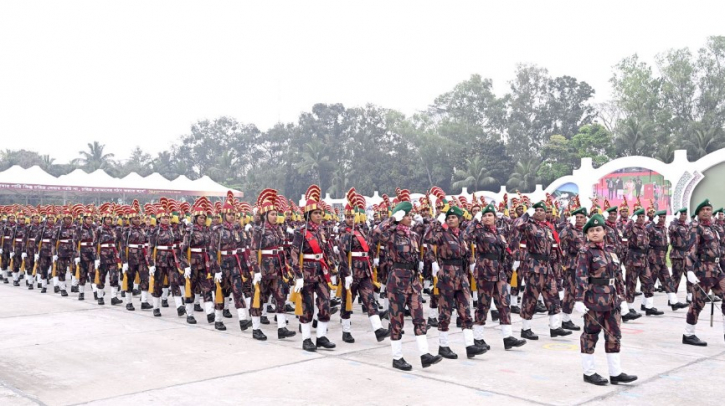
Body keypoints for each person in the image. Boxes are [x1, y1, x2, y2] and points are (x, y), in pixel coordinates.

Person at [374, 192, 442, 371]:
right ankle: (397, 357)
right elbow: (376, 232)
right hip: (397, 280)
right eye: (407, 215)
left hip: (413, 280)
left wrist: (428, 217)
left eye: (411, 215)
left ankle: (425, 355)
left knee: (419, 317)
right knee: (397, 320)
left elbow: (433, 228)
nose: (410, 218)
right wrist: (391, 219)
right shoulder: (391, 235)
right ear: (399, 218)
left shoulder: (413, 235)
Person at [574, 213, 638, 386]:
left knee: (614, 335)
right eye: (591, 230)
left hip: (612, 301)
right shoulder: (585, 252)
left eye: (598, 229)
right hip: (594, 300)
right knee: (590, 336)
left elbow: (618, 276)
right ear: (587, 234)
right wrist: (579, 299)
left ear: (604, 232)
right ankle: (589, 372)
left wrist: (622, 298)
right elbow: (580, 276)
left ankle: (615, 373)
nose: (595, 233)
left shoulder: (610, 251)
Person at [425, 201, 485, 360]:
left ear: (459, 219)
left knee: (466, 311)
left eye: (453, 217)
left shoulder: (462, 235)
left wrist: (472, 266)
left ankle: (470, 345)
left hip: (461, 276)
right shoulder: (441, 234)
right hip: (446, 276)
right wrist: (439, 220)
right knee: (445, 312)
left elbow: (467, 249)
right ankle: (443, 346)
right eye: (448, 217)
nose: (450, 220)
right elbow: (428, 237)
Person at [465, 203, 526, 350]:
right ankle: (478, 338)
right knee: (483, 305)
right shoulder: (478, 232)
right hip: (485, 272)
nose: (487, 218)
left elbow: (506, 250)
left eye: (490, 215)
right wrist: (475, 220)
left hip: (499, 272)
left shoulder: (498, 233)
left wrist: (511, 264)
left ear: (495, 218)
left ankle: (508, 337)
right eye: (485, 215)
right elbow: (466, 236)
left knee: (504, 304)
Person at [514, 201, 572, 340]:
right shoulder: (529, 226)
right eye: (537, 210)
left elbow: (553, 247)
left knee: (553, 296)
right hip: (534, 266)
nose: (539, 212)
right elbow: (517, 225)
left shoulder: (547, 228)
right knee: (530, 298)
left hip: (547, 266)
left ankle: (555, 327)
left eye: (542, 210)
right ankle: (525, 329)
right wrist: (527, 213)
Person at [338, 189, 389, 344]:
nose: (349, 219)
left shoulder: (361, 230)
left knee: (369, 300)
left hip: (364, 271)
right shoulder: (344, 232)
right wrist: (346, 274)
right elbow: (342, 254)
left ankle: (378, 329)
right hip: (352, 271)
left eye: (352, 216)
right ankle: (346, 331)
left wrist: (372, 260)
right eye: (347, 216)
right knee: (348, 301)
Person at [290, 185, 337, 352]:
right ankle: (306, 339)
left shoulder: (322, 231)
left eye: (320, 213)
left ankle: (321, 337)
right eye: (316, 213)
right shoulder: (301, 232)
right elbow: (294, 254)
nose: (319, 216)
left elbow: (327, 250)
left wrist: (333, 266)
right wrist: (298, 276)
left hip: (322, 271)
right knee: (307, 306)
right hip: (307, 272)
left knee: (325, 303)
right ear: (309, 215)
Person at [252, 189, 295, 340]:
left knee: (281, 296)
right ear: (265, 216)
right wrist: (256, 270)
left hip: (277, 269)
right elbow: (253, 250)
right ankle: (256, 328)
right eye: (271, 214)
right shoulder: (259, 231)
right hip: (264, 270)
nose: (275, 216)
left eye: (276, 214)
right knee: (260, 298)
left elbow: (281, 249)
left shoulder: (278, 230)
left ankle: (282, 328)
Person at [682, 199, 725, 346]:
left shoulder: (715, 228)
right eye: (703, 210)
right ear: (698, 213)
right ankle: (688, 334)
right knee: (697, 303)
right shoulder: (696, 228)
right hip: (703, 271)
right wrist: (689, 270)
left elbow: (721, 250)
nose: (706, 211)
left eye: (708, 209)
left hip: (716, 269)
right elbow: (690, 250)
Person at [647, 210, 688, 311]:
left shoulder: (663, 228)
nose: (662, 219)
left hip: (662, 259)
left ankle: (673, 302)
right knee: (650, 281)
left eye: (663, 217)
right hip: (654, 258)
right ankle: (647, 305)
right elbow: (644, 233)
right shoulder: (651, 228)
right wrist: (652, 222)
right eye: (659, 217)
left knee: (668, 280)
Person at [624, 207, 660, 316]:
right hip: (633, 259)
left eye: (642, 217)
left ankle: (648, 306)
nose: (641, 219)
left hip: (644, 259)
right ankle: (629, 308)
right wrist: (631, 220)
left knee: (649, 282)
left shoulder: (644, 228)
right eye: (638, 217)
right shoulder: (632, 228)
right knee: (631, 284)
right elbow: (625, 231)